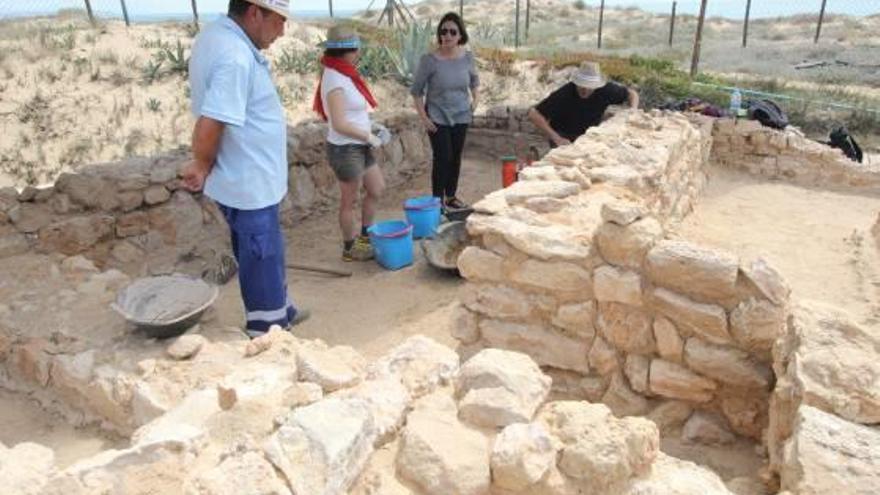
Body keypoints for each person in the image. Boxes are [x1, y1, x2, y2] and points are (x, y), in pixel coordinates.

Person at [181, 0, 308, 339]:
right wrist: (202, 164)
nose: (282, 31)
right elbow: (212, 120)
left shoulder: (218, 36)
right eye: (279, 21)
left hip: (249, 178)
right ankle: (268, 332)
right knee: (260, 255)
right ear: (255, 12)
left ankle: (283, 309)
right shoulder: (235, 56)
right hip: (249, 181)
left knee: (266, 251)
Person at [313, 25, 386, 262]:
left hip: (359, 143)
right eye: (356, 50)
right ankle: (349, 247)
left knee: (376, 188)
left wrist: (370, 126)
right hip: (346, 147)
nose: (359, 54)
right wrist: (367, 136)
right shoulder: (334, 78)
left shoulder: (344, 73)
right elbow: (340, 123)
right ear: (345, 52)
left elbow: (352, 113)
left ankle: (365, 238)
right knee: (349, 201)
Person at [410, 12, 480, 211]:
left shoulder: (467, 57)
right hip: (437, 116)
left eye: (452, 31)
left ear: (460, 36)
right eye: (443, 31)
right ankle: (436, 202)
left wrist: (475, 101)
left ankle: (451, 197)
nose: (447, 35)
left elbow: (475, 83)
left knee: (456, 157)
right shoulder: (429, 60)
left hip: (461, 115)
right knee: (443, 157)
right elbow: (416, 92)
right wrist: (424, 118)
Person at [528, 62, 639, 147]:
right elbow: (534, 114)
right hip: (563, 135)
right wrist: (556, 138)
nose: (585, 90)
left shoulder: (606, 90)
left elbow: (632, 94)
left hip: (589, 135)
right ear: (576, 82)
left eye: (589, 87)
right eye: (582, 86)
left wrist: (633, 111)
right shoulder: (565, 93)